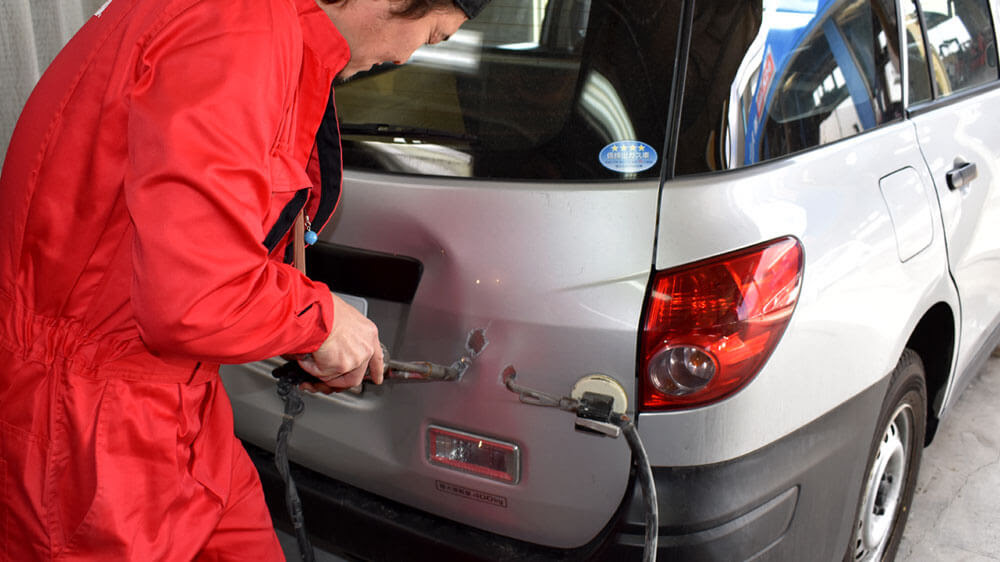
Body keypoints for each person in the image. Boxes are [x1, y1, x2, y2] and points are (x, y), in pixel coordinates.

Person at [0, 0, 489, 559]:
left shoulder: (261, 27)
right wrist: (321, 322)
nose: (404, 57)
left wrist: (294, 327)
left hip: (174, 402)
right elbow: (193, 298)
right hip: (94, 435)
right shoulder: (237, 28)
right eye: (431, 34)